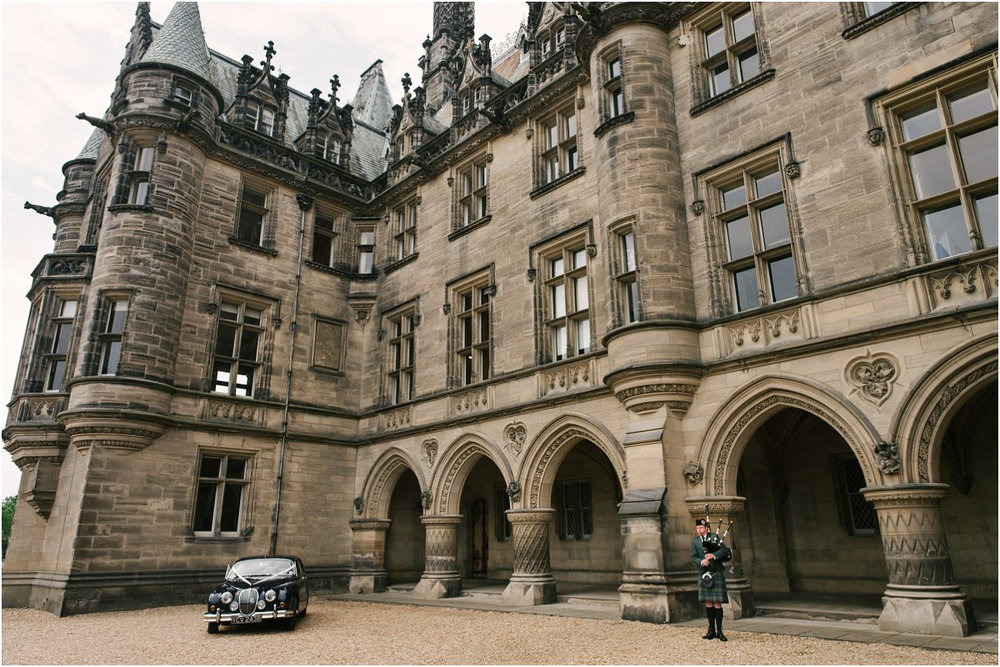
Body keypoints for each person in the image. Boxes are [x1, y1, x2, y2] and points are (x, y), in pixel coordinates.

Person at [691, 518, 730, 641]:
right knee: (708, 602)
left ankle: (720, 632)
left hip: (716, 572)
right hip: (704, 573)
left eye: (701, 528)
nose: (699, 530)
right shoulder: (695, 541)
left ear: (706, 528)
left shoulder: (714, 538)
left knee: (717, 602)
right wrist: (701, 561)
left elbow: (725, 550)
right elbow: (693, 557)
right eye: (697, 528)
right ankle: (711, 630)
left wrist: (714, 555)